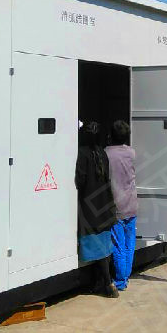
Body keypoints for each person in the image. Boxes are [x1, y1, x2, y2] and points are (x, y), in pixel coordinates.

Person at [75, 121, 119, 298]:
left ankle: (108, 284)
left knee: (97, 245)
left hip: (90, 205)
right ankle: (98, 282)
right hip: (104, 203)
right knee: (104, 244)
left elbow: (80, 180)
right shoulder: (102, 152)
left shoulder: (82, 153)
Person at [105, 120, 138, 291]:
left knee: (118, 245)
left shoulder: (106, 154)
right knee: (129, 243)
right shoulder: (131, 152)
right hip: (131, 204)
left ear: (110, 135)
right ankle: (125, 276)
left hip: (116, 207)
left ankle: (120, 280)